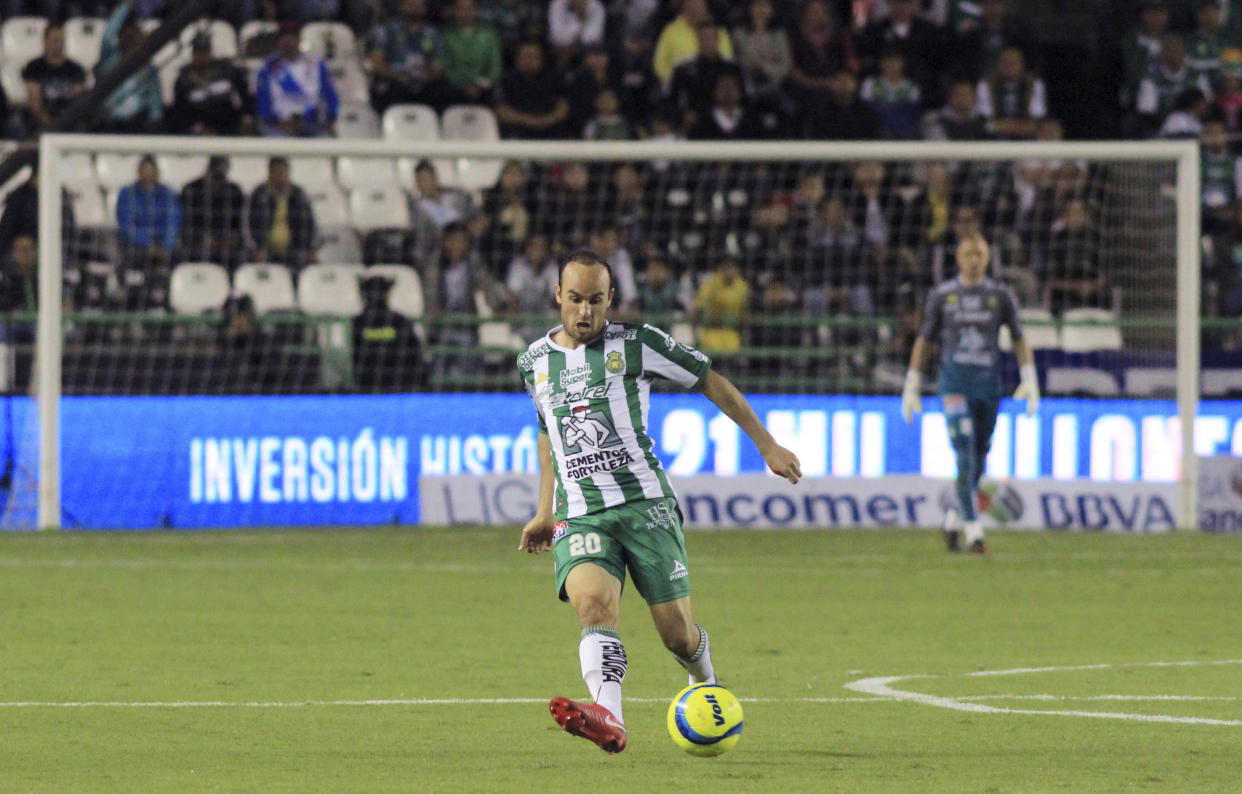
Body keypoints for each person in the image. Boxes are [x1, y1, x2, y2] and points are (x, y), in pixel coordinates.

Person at [516, 248, 802, 754]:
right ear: (558, 296)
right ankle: (609, 716)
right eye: (576, 299)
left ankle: (704, 681)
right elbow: (547, 433)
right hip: (582, 511)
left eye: (596, 301)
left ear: (611, 299)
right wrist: (545, 510)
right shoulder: (534, 362)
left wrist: (767, 445)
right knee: (593, 605)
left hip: (646, 505)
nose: (585, 312)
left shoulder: (638, 343)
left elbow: (710, 379)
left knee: (677, 636)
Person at [901, 232, 1038, 554]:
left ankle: (951, 520)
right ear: (959, 259)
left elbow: (1019, 337)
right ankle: (974, 533)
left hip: (989, 388)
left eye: (980, 254)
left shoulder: (1000, 296)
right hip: (953, 385)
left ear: (987, 259)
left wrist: (1029, 378)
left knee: (978, 457)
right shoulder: (943, 296)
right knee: (964, 450)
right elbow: (925, 339)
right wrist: (912, 383)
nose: (974, 261)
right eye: (968, 255)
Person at [255, 21, 340, 137]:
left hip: (311, 122)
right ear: (278, 41)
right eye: (284, 37)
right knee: (276, 144)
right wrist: (275, 120)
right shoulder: (268, 67)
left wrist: (330, 118)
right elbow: (262, 100)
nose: (288, 41)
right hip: (279, 123)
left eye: (292, 37)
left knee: (327, 141)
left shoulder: (316, 64)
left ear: (299, 39)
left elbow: (330, 94)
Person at [171, 33, 252, 135]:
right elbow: (180, 112)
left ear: (210, 52)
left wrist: (246, 118)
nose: (201, 57)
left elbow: (244, 95)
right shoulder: (184, 80)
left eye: (205, 52)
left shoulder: (227, 70)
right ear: (193, 54)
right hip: (201, 130)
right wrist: (198, 128)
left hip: (230, 125)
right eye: (198, 53)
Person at [247, 156, 317, 270]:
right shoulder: (259, 195)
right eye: (276, 172)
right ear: (270, 173)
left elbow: (310, 224)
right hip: (265, 251)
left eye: (282, 172)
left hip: (294, 251)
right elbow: (248, 224)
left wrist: (309, 248)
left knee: (310, 265)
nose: (280, 176)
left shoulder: (298, 195)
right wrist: (256, 248)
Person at [179, 156, 246, 270]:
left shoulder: (234, 191)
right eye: (215, 177)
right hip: (199, 243)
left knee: (240, 256)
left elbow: (240, 222)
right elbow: (186, 224)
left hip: (226, 243)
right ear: (208, 171)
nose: (218, 183)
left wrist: (234, 239)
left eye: (221, 177)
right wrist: (201, 239)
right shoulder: (191, 190)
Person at [22, 22, 87, 133]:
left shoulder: (76, 69)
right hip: (43, 120)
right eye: (54, 40)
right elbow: (35, 103)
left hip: (69, 120)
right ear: (45, 41)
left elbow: (78, 100)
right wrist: (49, 123)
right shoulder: (34, 67)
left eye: (60, 40)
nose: (57, 44)